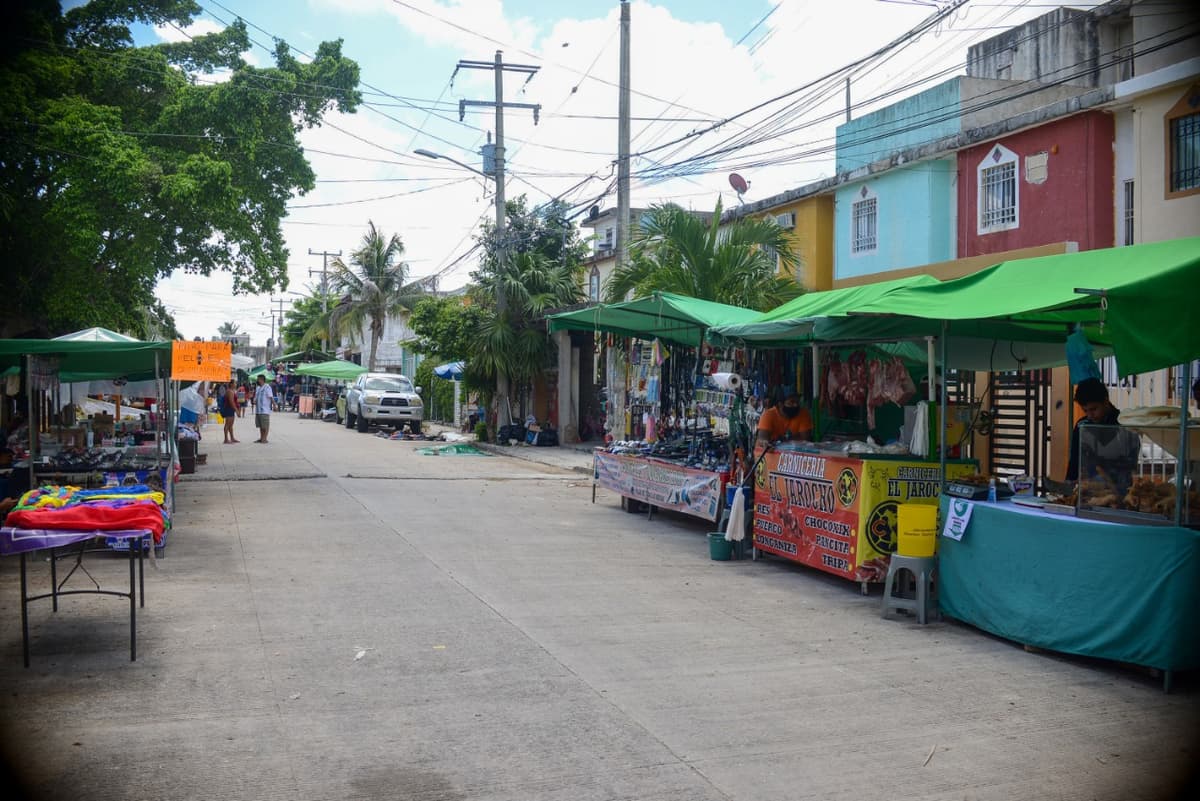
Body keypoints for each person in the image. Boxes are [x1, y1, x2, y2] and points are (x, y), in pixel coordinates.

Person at [1065, 377, 1137, 483]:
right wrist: (1070, 485)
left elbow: (1129, 466)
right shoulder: (1082, 426)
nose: (1090, 415)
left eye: (1094, 409)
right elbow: (1074, 463)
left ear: (1106, 401)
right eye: (1085, 411)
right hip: (1086, 492)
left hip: (1119, 491)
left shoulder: (1124, 425)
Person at [254, 374, 274, 444]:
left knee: (265, 425)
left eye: (258, 379)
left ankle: (265, 439)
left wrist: (274, 405)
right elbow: (256, 397)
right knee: (261, 425)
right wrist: (254, 400)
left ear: (262, 380)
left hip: (264, 410)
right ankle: (261, 438)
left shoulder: (267, 387)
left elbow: (271, 396)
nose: (257, 380)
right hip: (258, 410)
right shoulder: (258, 388)